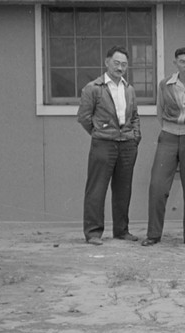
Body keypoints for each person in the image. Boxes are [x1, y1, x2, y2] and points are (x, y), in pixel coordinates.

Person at [142, 48, 185, 250]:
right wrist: (171, 129)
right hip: (169, 136)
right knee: (157, 186)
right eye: (183, 62)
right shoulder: (165, 84)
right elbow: (160, 111)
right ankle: (153, 234)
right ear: (176, 63)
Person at [77, 46, 141, 245]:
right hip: (103, 144)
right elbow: (84, 117)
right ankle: (93, 233)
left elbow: (135, 116)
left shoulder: (128, 88)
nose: (120, 68)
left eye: (123, 64)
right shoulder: (93, 88)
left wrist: (135, 137)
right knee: (96, 189)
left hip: (127, 145)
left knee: (124, 189)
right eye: (116, 63)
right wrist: (99, 133)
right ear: (107, 63)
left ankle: (122, 231)